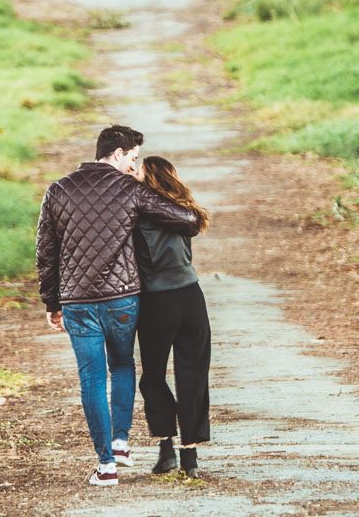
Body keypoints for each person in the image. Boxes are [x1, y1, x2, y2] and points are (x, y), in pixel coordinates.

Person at [35, 125, 200, 486]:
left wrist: (52, 301)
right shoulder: (130, 190)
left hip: (77, 301)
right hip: (123, 298)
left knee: (91, 378)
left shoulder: (58, 190)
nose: (133, 166)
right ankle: (121, 441)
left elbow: (46, 254)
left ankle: (106, 464)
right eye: (133, 158)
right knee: (123, 365)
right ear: (119, 153)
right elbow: (187, 220)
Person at [130, 155, 212, 479]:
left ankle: (166, 449)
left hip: (158, 301)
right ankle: (189, 456)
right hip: (192, 297)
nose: (132, 173)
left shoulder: (137, 213)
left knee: (152, 376)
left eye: (138, 170)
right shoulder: (184, 212)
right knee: (193, 376)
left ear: (150, 179)